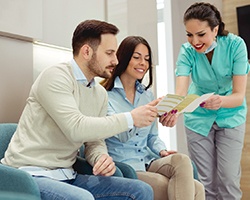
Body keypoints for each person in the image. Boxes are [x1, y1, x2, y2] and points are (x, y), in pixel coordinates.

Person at [1, 20, 157, 200]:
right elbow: (76, 128)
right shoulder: (55, 77)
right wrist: (130, 118)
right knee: (83, 198)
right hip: (31, 175)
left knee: (141, 190)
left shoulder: (99, 93)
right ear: (87, 51)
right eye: (109, 53)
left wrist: (100, 157)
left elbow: (94, 141)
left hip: (68, 175)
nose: (115, 60)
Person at [101, 36, 205, 200]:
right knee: (185, 188)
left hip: (148, 161)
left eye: (147, 59)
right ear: (123, 58)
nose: (143, 63)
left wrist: (161, 150)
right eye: (137, 57)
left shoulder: (147, 95)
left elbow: (152, 136)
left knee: (183, 162)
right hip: (125, 166)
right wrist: (146, 112)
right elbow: (122, 134)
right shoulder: (105, 96)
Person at [172, 2, 249, 200]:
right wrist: (173, 110)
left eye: (201, 34)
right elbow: (181, 90)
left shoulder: (235, 45)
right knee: (205, 183)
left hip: (230, 114)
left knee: (229, 180)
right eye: (189, 35)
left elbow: (239, 95)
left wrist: (220, 101)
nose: (194, 41)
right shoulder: (187, 51)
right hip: (198, 118)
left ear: (215, 29)